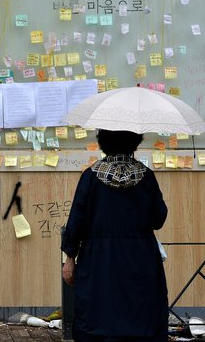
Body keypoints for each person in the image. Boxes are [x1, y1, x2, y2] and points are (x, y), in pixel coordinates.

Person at [61, 129, 168, 342]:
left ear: (103, 143)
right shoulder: (146, 176)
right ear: (135, 143)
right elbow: (159, 218)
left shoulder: (91, 176)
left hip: (99, 259)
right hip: (140, 257)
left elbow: (76, 221)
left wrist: (70, 257)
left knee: (98, 315)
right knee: (140, 316)